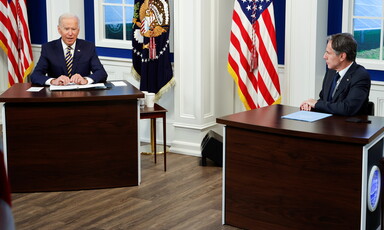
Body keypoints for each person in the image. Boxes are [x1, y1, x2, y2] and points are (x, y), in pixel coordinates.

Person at [300, 33, 371, 116]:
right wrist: (310, 105)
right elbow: (324, 101)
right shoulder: (331, 72)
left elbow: (347, 108)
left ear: (342, 56)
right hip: (328, 125)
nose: (324, 56)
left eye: (328, 53)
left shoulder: (360, 76)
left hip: (350, 127)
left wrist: (316, 104)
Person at [30, 13, 107, 86]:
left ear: (78, 30)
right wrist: (53, 81)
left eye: (73, 29)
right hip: (57, 96)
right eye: (66, 29)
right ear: (59, 29)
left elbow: (101, 73)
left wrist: (85, 80)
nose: (70, 33)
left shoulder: (88, 47)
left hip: (82, 95)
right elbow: (36, 75)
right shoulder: (48, 48)